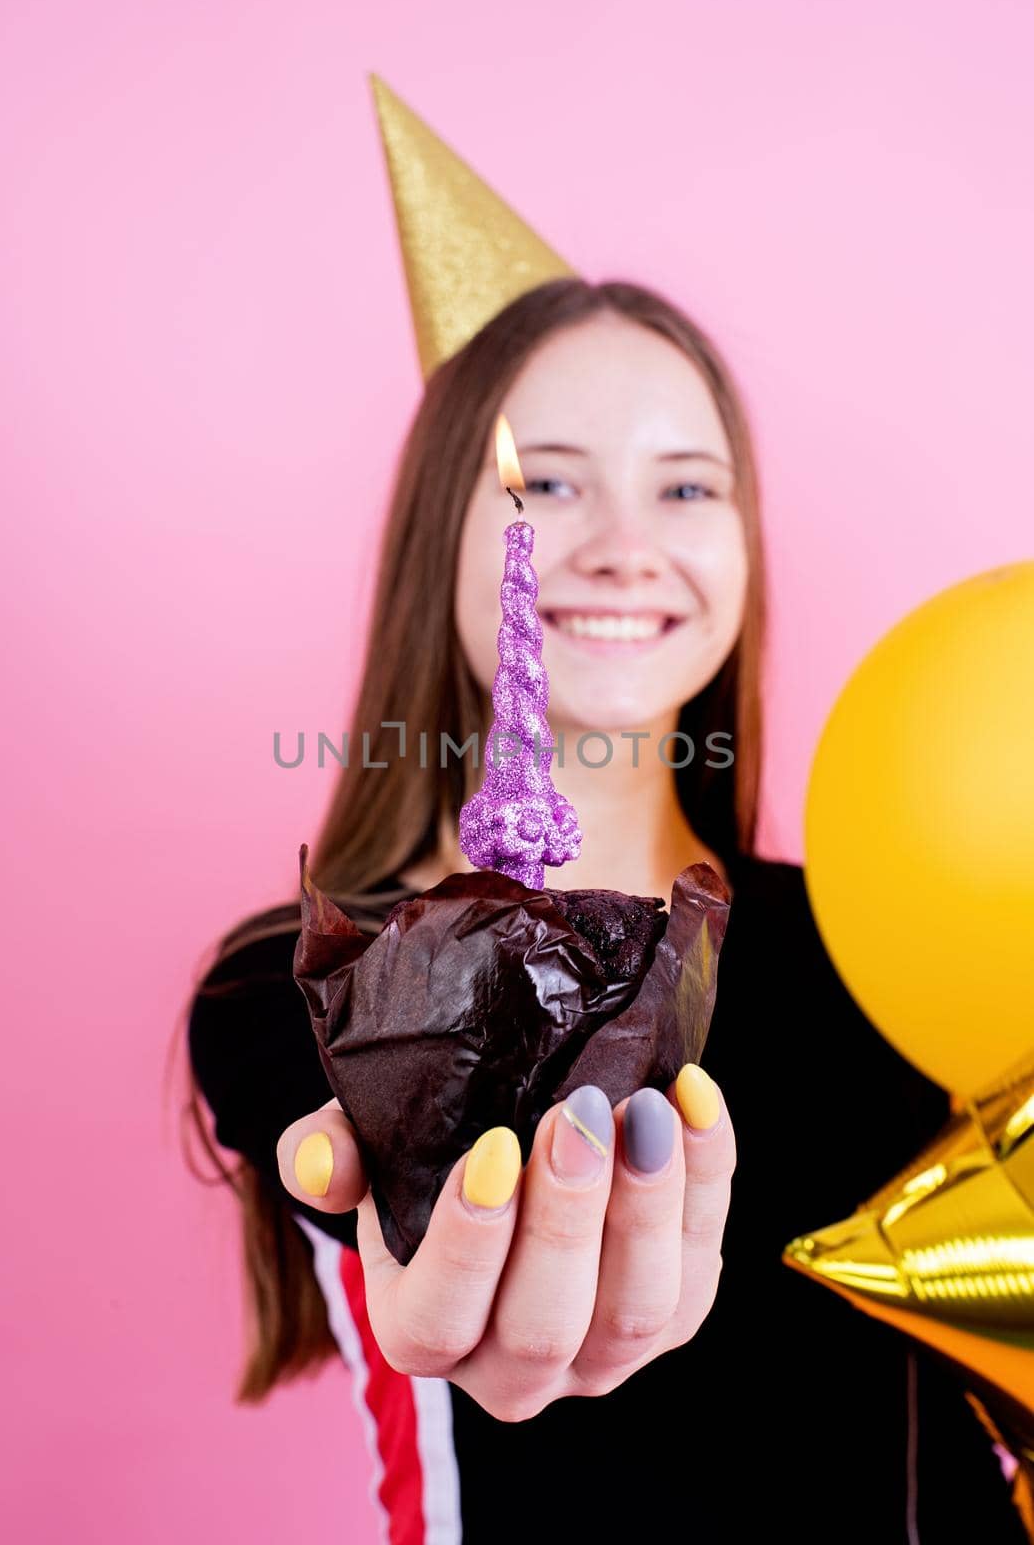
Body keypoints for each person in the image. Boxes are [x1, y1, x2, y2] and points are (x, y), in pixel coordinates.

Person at [180, 278, 1028, 1542]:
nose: (625, 544)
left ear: (744, 542)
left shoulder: (884, 938)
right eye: (553, 481)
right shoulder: (308, 979)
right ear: (438, 536)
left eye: (685, 485)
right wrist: (446, 1256)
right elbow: (401, 1229)